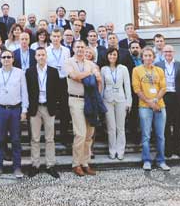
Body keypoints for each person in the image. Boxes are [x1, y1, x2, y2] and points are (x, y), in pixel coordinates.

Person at [0, 50, 29, 178]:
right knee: (0, 139)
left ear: (13, 59)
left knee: (16, 139)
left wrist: (24, 110)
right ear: (0, 59)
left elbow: (24, 92)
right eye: (4, 57)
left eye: (8, 57)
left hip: (15, 109)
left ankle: (17, 167)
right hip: (0, 109)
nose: (6, 59)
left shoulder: (20, 73)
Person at [66, 40, 101, 177]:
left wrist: (94, 76)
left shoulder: (90, 63)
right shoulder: (69, 62)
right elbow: (75, 76)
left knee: (89, 134)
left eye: (82, 47)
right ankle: (76, 164)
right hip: (76, 99)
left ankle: (85, 163)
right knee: (80, 134)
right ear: (73, 48)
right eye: (78, 47)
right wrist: (90, 73)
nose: (80, 49)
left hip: (90, 100)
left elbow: (98, 79)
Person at [132, 46, 169, 171]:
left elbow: (163, 88)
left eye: (150, 55)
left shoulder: (159, 70)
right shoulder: (137, 70)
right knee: (146, 135)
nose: (148, 58)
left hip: (159, 105)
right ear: (142, 57)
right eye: (145, 55)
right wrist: (149, 102)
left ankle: (161, 160)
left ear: (153, 57)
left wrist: (156, 100)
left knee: (160, 136)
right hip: (144, 106)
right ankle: (146, 160)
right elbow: (137, 89)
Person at [26, 47, 60, 178]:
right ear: (35, 57)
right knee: (35, 138)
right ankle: (35, 165)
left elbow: (57, 90)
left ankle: (50, 165)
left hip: (48, 107)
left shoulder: (53, 71)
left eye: (43, 55)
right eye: (38, 55)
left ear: (46, 56)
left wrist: (54, 105)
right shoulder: (29, 72)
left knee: (50, 138)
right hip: (35, 108)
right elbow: (27, 90)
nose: (41, 57)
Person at [155, 45, 180, 158]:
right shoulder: (158, 65)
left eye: (170, 51)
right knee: (166, 124)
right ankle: (168, 148)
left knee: (177, 124)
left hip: (177, 97)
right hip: (164, 96)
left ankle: (177, 148)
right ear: (163, 53)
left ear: (174, 52)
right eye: (166, 51)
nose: (168, 53)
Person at [101, 48, 132, 160]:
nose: (112, 56)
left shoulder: (123, 68)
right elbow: (102, 86)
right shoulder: (104, 69)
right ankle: (112, 150)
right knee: (111, 127)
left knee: (120, 127)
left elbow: (127, 85)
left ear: (117, 56)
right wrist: (101, 102)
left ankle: (120, 151)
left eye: (114, 54)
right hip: (107, 100)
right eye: (110, 54)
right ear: (107, 56)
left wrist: (129, 102)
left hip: (121, 99)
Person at [46, 28, 71, 148]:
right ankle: (51, 136)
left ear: (61, 37)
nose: (56, 38)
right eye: (54, 36)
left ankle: (64, 136)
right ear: (50, 37)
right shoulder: (46, 50)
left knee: (65, 110)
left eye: (58, 36)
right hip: (51, 81)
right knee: (51, 110)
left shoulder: (66, 50)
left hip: (64, 81)